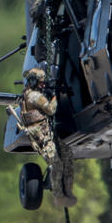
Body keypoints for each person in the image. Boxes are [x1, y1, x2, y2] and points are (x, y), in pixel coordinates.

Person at [18, 67, 76, 208]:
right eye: (41, 83)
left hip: (37, 135)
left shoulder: (26, 95)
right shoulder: (35, 96)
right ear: (33, 81)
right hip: (41, 135)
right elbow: (50, 110)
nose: (43, 85)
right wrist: (56, 95)